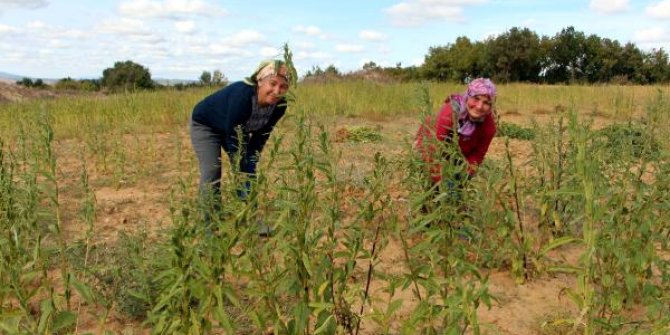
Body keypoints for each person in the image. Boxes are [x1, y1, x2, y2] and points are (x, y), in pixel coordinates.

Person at [190, 59, 290, 235]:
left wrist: (251, 160)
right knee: (212, 171)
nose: (277, 91)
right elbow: (234, 136)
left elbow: (262, 135)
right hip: (207, 125)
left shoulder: (280, 106)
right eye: (272, 84)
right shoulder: (242, 96)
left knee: (248, 169)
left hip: (234, 129)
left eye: (283, 87)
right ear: (259, 81)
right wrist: (242, 164)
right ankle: (208, 226)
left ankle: (250, 220)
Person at [414, 78, 497, 198]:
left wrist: (463, 177)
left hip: (457, 154)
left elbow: (477, 156)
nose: (479, 106)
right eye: (476, 98)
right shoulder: (451, 112)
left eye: (486, 103)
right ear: (467, 96)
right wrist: (443, 181)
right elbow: (432, 150)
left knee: (455, 192)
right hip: (429, 146)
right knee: (431, 190)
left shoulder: (488, 126)